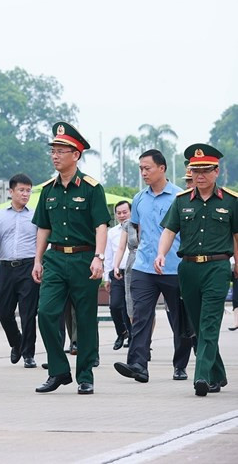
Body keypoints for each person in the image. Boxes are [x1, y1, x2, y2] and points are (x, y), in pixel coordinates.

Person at [32, 122, 110, 395]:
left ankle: (85, 375)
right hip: (54, 259)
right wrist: (37, 260)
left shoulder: (91, 188)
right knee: (45, 312)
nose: (55, 155)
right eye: (53, 150)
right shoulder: (48, 190)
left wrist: (99, 257)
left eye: (61, 151)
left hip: (84, 258)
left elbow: (102, 224)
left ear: (76, 154)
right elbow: (43, 227)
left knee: (86, 319)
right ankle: (58, 370)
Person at [156, 143, 237, 396]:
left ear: (216, 171)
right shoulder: (181, 202)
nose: (199, 175)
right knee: (198, 325)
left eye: (205, 170)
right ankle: (219, 374)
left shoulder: (232, 202)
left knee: (210, 322)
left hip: (218, 266)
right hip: (188, 269)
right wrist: (161, 253)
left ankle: (201, 376)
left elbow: (236, 235)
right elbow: (169, 230)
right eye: (195, 170)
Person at [113, 149, 192, 384]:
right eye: (141, 169)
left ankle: (180, 365)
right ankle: (138, 364)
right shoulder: (138, 199)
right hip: (144, 268)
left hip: (174, 268)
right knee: (141, 316)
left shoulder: (180, 197)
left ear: (162, 168)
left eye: (147, 168)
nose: (143, 172)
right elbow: (137, 230)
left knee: (179, 320)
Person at [0, 173, 39, 368]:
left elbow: (42, 241)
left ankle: (28, 354)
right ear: (11, 192)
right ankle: (16, 342)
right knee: (3, 310)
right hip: (6, 267)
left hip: (28, 267)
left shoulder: (35, 214)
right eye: (21, 190)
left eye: (28, 191)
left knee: (28, 313)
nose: (25, 194)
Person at [103, 201, 132, 350]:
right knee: (114, 306)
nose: (122, 215)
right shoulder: (112, 232)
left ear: (131, 212)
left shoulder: (137, 229)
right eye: (119, 213)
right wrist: (106, 278)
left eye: (125, 212)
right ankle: (121, 332)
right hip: (117, 273)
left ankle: (133, 338)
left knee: (130, 308)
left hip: (133, 273)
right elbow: (108, 255)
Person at [113, 204, 140, 325]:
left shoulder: (151, 221)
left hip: (148, 263)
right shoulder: (127, 225)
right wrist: (116, 266)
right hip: (132, 264)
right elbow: (121, 248)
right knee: (130, 303)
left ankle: (146, 339)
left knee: (146, 305)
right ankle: (137, 337)